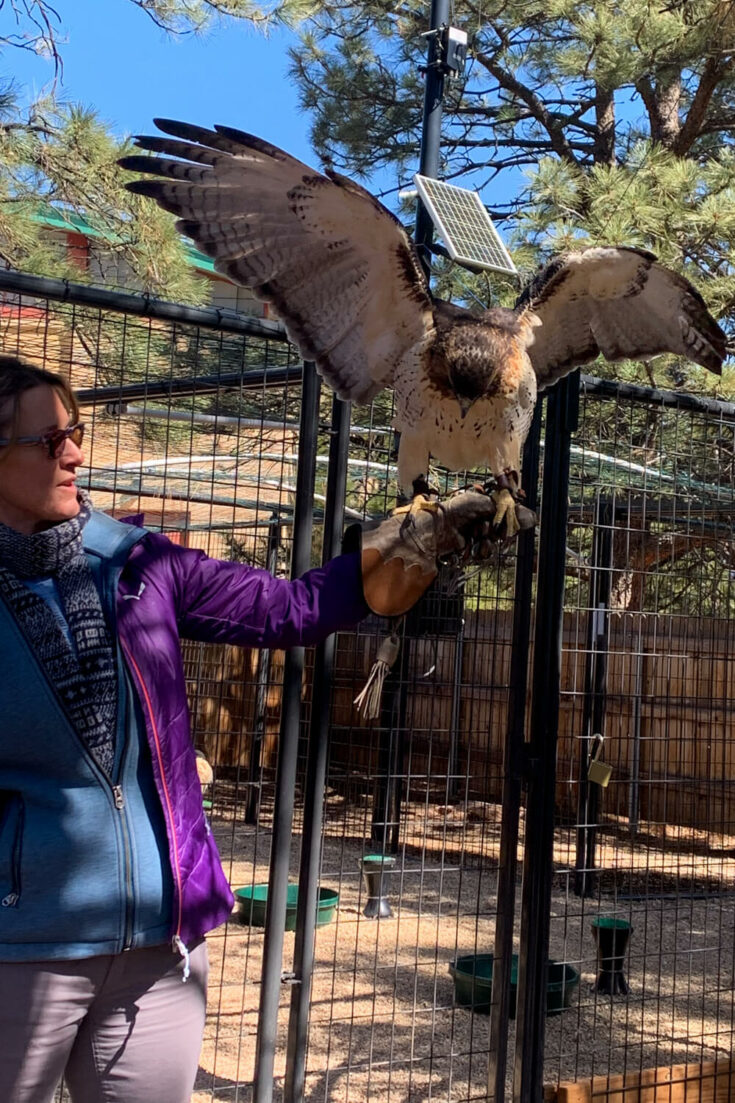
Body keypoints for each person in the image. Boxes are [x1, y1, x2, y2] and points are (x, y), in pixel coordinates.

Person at [0, 357, 528, 1103]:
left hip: (162, 944)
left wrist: (405, 548)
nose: (76, 453)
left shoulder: (135, 562)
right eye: (49, 440)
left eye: (76, 432)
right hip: (22, 948)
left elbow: (287, 608)